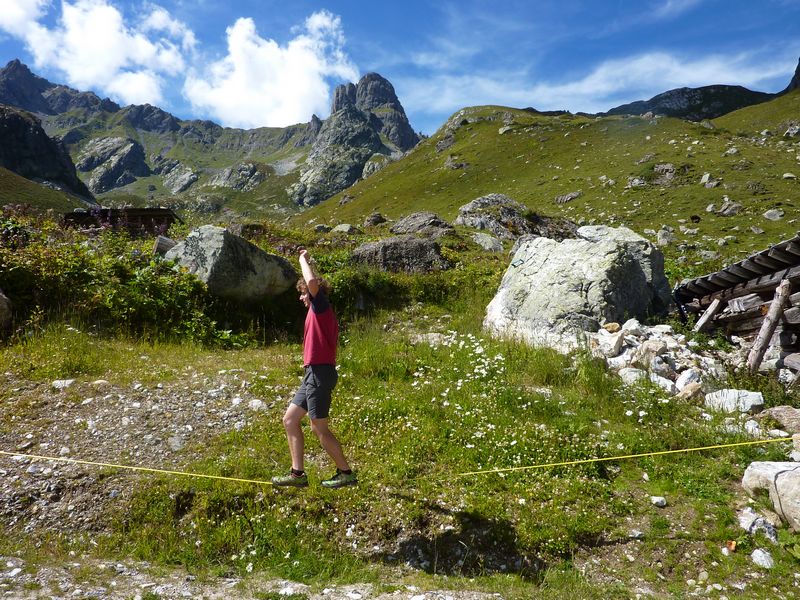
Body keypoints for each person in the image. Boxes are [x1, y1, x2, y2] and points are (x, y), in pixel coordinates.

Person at [272, 249, 357, 489]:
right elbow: (312, 283)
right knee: (290, 420)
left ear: (311, 293)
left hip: (320, 374)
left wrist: (302, 259)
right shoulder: (315, 312)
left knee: (318, 427)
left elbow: (311, 281)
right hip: (312, 374)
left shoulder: (321, 308)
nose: (301, 298)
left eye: (302, 294)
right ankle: (297, 475)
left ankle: (345, 473)